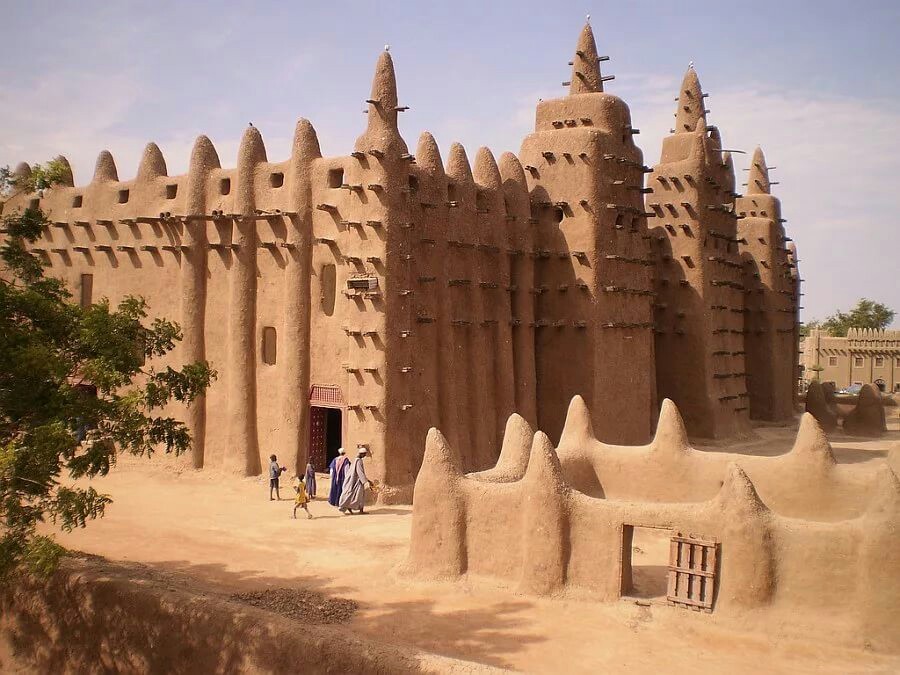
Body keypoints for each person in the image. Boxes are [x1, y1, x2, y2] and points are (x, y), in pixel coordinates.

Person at [338, 447, 372, 514]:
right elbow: (360, 472)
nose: (365, 456)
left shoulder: (355, 460)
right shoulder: (359, 461)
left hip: (354, 480)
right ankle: (359, 510)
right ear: (362, 454)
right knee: (360, 495)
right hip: (357, 481)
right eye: (364, 454)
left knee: (354, 495)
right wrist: (367, 481)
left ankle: (350, 507)